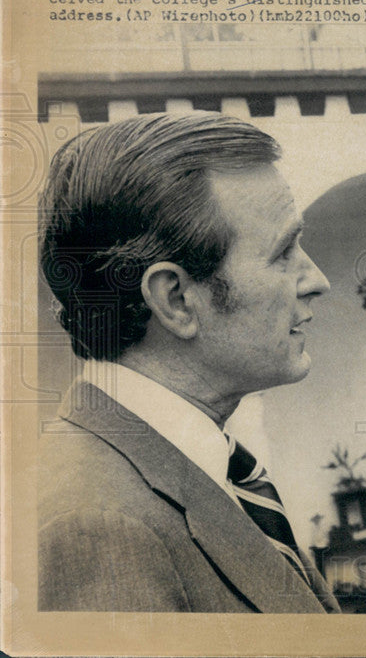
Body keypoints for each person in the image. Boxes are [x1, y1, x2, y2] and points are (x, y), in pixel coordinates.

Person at [37, 112, 339, 613]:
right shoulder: (96, 528)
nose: (317, 279)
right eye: (283, 251)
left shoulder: (212, 467)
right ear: (175, 299)